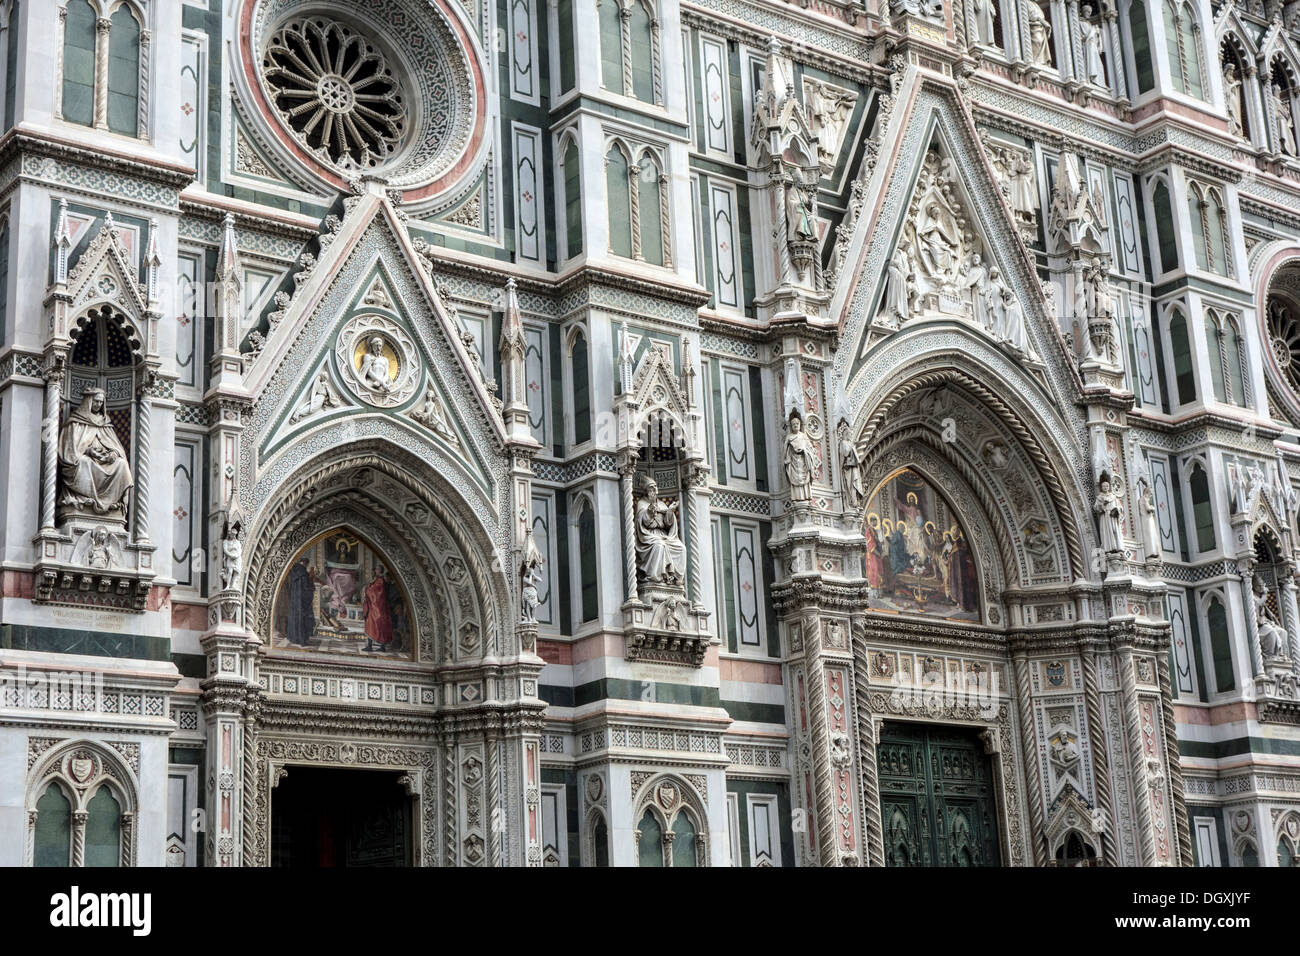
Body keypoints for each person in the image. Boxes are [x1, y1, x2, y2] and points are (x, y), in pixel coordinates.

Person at [58, 387, 134, 519]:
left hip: (104, 460)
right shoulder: (76, 422)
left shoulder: (105, 422)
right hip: (87, 459)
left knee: (121, 464)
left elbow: (116, 446)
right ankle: (86, 500)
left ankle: (119, 504)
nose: (98, 405)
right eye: (96, 401)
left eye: (101, 402)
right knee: (84, 462)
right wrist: (88, 451)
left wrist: (114, 454)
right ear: (88, 401)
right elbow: (69, 449)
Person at [635, 479, 688, 586]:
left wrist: (670, 511)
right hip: (648, 535)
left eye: (655, 487)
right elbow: (644, 522)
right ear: (646, 491)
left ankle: (676, 578)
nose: (654, 490)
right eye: (651, 488)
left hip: (663, 535)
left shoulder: (662, 504)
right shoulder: (642, 503)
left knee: (681, 548)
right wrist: (650, 511)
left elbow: (668, 524)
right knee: (659, 545)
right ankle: (655, 577)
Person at [784, 413, 817, 503]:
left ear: (800, 425)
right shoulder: (789, 437)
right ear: (791, 426)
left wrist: (805, 451)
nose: (795, 426)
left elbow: (810, 448)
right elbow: (785, 450)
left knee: (805, 479)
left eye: (797, 424)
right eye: (793, 424)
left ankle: (806, 496)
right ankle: (796, 497)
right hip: (793, 462)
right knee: (794, 479)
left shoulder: (803, 436)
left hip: (803, 461)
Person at [285, 556, 317, 646]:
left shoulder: (294, 571)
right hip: (302, 601)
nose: (307, 566)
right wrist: (311, 586)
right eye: (306, 564)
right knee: (303, 619)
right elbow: (306, 588)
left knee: (295, 618)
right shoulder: (304, 574)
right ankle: (302, 639)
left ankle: (294, 638)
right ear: (304, 563)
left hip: (294, 601)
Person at [362, 565, 394, 652]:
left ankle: (380, 647)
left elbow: (376, 593)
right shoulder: (377, 580)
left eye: (376, 569)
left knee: (378, 626)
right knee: (371, 625)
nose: (375, 570)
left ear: (380, 570)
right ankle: (370, 646)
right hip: (373, 607)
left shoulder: (380, 580)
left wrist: (367, 589)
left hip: (378, 608)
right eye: (375, 569)